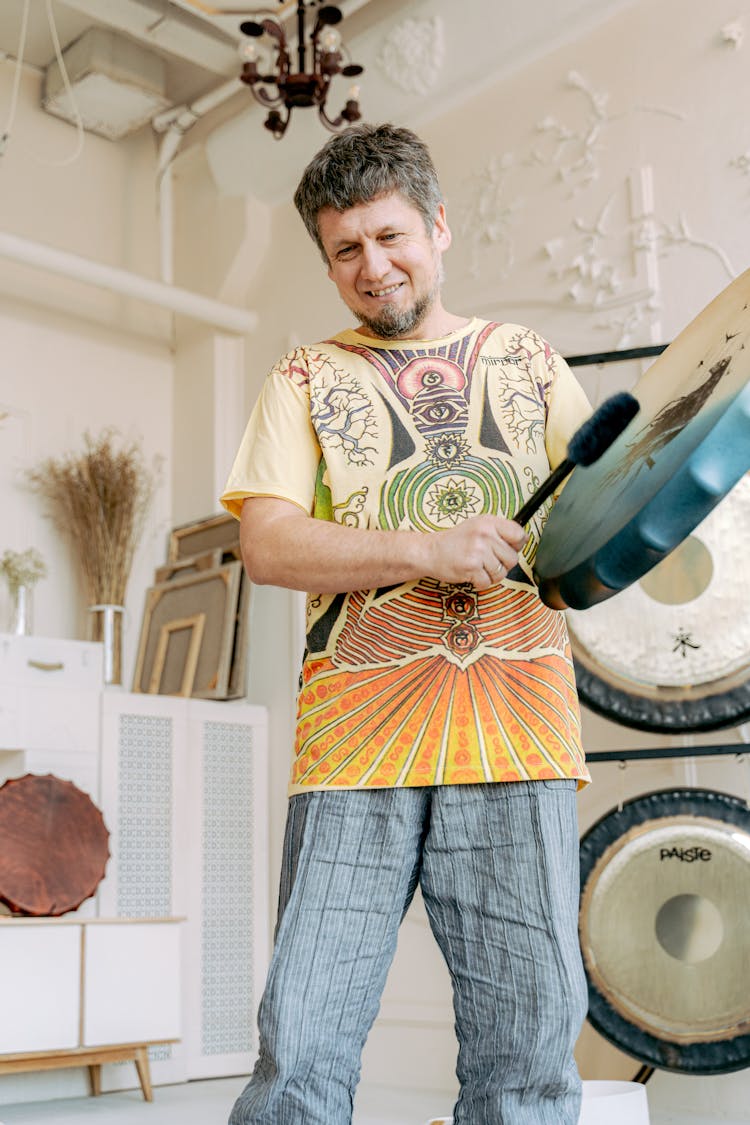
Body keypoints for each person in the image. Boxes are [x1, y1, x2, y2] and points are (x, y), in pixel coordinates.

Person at [221, 122, 592, 1125]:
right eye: (346, 249)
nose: (372, 267)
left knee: (530, 1049)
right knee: (301, 1045)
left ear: (438, 225)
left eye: (390, 236)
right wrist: (429, 551)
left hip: (520, 731)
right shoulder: (300, 378)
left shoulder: (532, 360)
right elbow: (268, 544)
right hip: (353, 742)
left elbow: (600, 517)